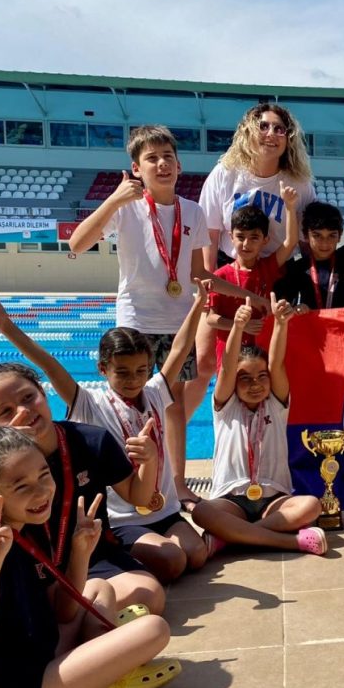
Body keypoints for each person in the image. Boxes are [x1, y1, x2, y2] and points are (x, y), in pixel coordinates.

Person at [69, 125, 266, 513]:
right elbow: (77, 243)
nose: (161, 164)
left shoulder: (192, 211)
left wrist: (250, 296)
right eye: (152, 158)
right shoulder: (126, 208)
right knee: (130, 402)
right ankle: (127, 484)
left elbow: (199, 275)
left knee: (172, 406)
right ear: (136, 168)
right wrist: (113, 199)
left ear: (179, 165)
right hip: (136, 323)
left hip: (178, 324)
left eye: (168, 157)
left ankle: (177, 484)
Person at [0, 426, 178, 688]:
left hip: (34, 658)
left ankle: (104, 672)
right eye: (21, 486)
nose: (41, 492)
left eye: (44, 475)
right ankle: (104, 677)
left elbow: (65, 610)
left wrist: (80, 553)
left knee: (98, 587)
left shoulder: (25, 526)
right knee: (153, 629)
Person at [0, 289, 210, 583]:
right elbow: (49, 364)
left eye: (141, 370)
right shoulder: (89, 404)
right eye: (122, 372)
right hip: (124, 519)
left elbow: (179, 348)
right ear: (102, 369)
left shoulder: (155, 392)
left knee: (196, 555)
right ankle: (119, 564)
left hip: (164, 510)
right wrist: (7, 327)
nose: (133, 379)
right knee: (173, 561)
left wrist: (198, 304)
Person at [0, 353, 166, 613]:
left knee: (150, 593)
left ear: (43, 392)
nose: (23, 411)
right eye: (6, 412)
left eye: (28, 397)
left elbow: (140, 498)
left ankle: (64, 613)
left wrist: (149, 460)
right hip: (27, 563)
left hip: (88, 554)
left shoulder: (89, 440)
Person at [187, 103, 317, 422]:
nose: (271, 134)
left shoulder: (299, 183)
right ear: (247, 131)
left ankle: (271, 433)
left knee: (271, 365)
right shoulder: (226, 173)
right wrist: (209, 286)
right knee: (205, 363)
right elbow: (210, 235)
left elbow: (302, 243)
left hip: (275, 274)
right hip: (227, 271)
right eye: (263, 126)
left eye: (279, 128)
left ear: (289, 138)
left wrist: (309, 295)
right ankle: (178, 430)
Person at [192, 295, 327, 557]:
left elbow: (276, 363)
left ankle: (231, 537)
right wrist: (237, 327)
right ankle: (290, 542)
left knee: (311, 505)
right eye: (245, 379)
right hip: (230, 500)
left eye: (261, 377)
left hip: (274, 500)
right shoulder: (226, 407)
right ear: (234, 382)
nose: (255, 384)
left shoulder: (276, 405)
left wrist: (281, 324)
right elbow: (227, 367)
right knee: (201, 511)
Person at [206, 185, 299, 368]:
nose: (246, 244)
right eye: (240, 237)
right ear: (231, 237)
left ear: (265, 240)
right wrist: (240, 325)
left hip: (262, 350)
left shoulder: (267, 268)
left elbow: (290, 242)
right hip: (229, 351)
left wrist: (289, 206)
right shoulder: (220, 276)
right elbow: (211, 319)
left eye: (254, 237)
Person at [274, 200, 344, 310]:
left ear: (339, 236)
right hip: (311, 321)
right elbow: (285, 304)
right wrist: (297, 309)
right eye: (317, 235)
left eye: (331, 236)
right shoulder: (298, 268)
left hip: (342, 321)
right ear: (306, 236)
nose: (324, 243)